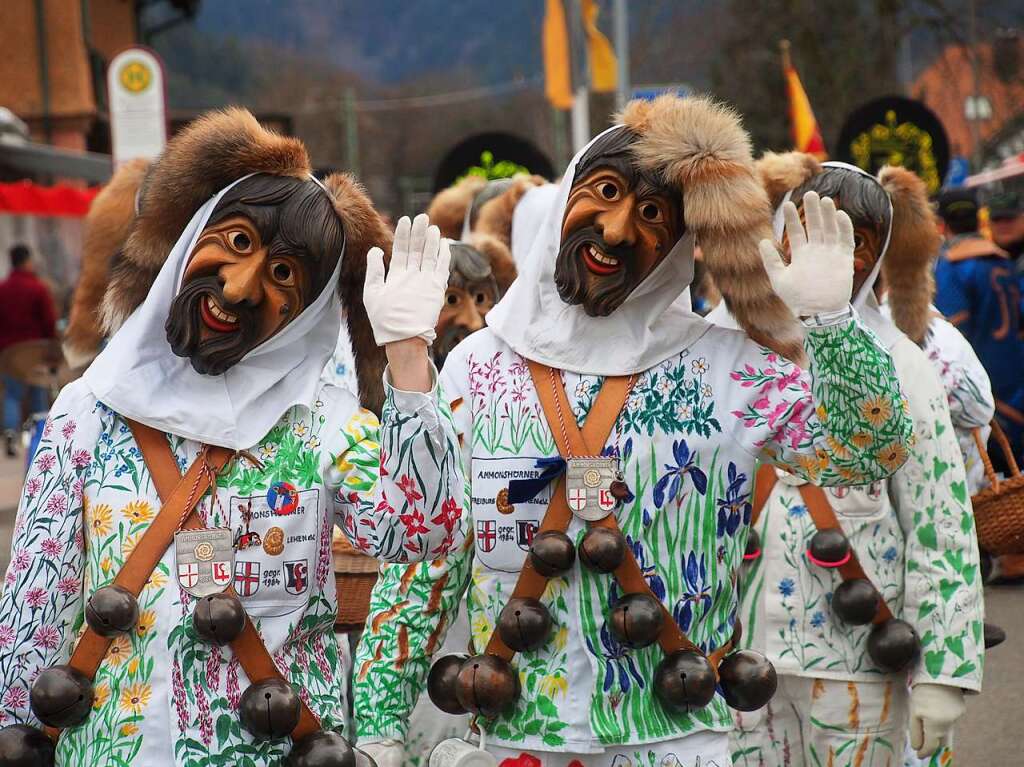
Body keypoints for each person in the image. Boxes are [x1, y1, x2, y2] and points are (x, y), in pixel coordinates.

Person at [355, 94, 913, 767]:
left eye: (652, 214)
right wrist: (408, 362)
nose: (617, 230)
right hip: (518, 742)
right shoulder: (478, 365)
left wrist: (831, 330)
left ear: (682, 239)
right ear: (567, 199)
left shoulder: (730, 367)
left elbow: (865, 455)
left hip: (679, 742)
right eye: (607, 191)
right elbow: (422, 552)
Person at [0, 108, 465, 766]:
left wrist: (409, 356)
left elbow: (426, 531)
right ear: (192, 237)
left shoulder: (321, 424)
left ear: (306, 310)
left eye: (283, 278)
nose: (241, 287)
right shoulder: (88, 413)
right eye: (239, 241)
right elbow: (32, 611)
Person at [722, 157, 982, 767]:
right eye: (802, 226)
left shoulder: (899, 365)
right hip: (734, 660)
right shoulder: (730, 349)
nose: (817, 248)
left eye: (849, 238)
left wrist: (945, 671)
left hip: (857, 659)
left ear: (872, 251)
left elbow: (940, 523)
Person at [933, 188, 1024, 463]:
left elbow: (950, 333)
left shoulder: (952, 267)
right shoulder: (1004, 261)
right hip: (1016, 377)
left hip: (987, 388)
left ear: (943, 225)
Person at [0, 244, 58, 457]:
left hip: (10, 354)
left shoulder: (3, 288)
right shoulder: (38, 288)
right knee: (38, 394)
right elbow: (49, 322)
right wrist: (54, 350)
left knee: (12, 396)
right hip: (35, 352)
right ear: (27, 261)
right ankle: (41, 438)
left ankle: (10, 434)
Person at [988, 191, 1024, 263]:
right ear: (990, 224)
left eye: (1009, 219)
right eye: (996, 219)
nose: (1002, 225)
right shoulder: (984, 260)